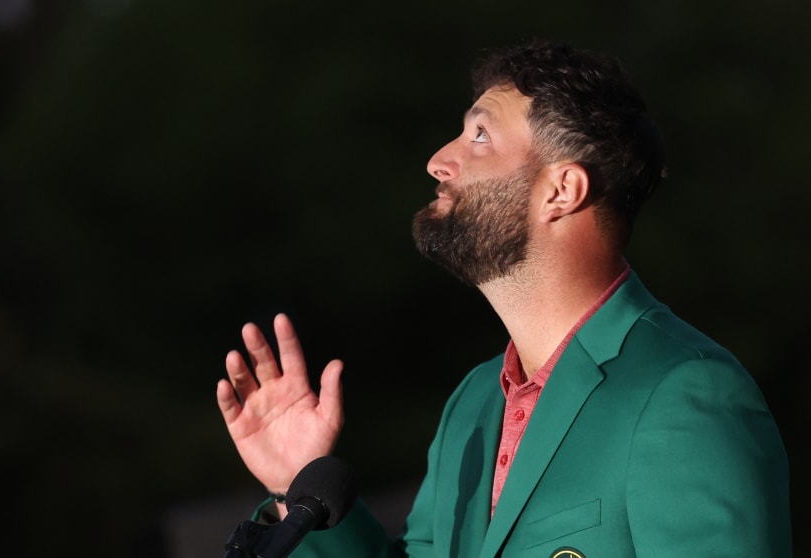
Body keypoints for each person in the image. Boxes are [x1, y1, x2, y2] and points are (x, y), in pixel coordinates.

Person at [216, 41, 792, 557]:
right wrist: (300, 486)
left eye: (481, 135)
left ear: (561, 190)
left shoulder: (685, 394)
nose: (440, 159)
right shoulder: (472, 402)